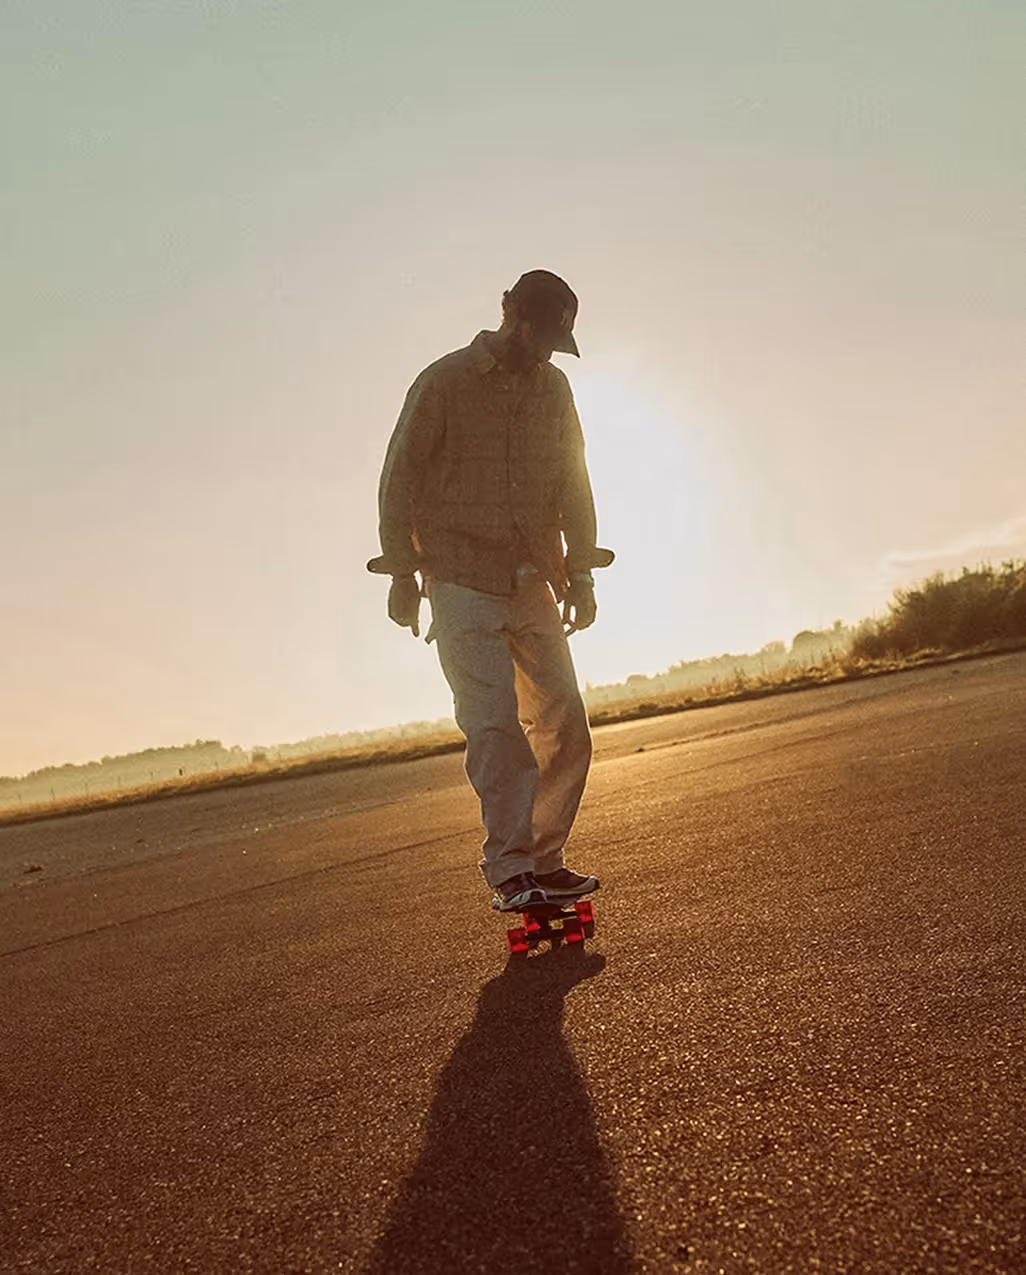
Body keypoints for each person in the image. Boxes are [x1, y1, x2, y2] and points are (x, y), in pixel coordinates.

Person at [367, 270, 614, 912]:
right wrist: (401, 572)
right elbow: (399, 479)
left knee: (565, 719)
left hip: (534, 575)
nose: (544, 351)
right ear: (511, 313)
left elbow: (573, 479)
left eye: (555, 341)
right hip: (458, 579)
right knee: (494, 726)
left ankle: (544, 858)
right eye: (539, 333)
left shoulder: (554, 389)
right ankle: (509, 868)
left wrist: (580, 571)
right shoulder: (443, 383)